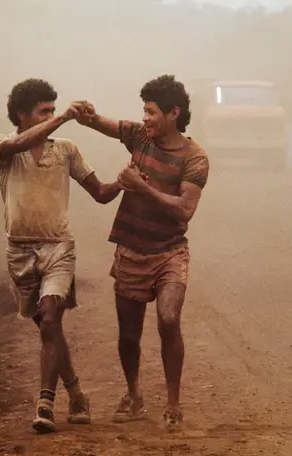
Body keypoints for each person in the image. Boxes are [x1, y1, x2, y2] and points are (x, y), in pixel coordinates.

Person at [0, 78, 121, 434]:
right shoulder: (2, 145)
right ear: (21, 114)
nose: (49, 117)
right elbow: (19, 143)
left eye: (51, 109)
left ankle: (45, 403)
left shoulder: (66, 150)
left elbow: (101, 193)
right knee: (51, 330)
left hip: (58, 246)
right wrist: (62, 117)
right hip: (19, 250)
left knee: (49, 321)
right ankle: (77, 393)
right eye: (42, 111)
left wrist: (125, 180)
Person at [76, 75, 209, 427]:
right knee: (129, 334)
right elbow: (106, 125)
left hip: (170, 252)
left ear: (173, 113)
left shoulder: (194, 157)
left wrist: (140, 186)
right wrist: (85, 115)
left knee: (168, 318)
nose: (146, 118)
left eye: (151, 112)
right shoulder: (139, 136)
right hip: (131, 250)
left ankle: (173, 403)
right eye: (144, 111)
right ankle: (134, 395)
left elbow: (184, 210)